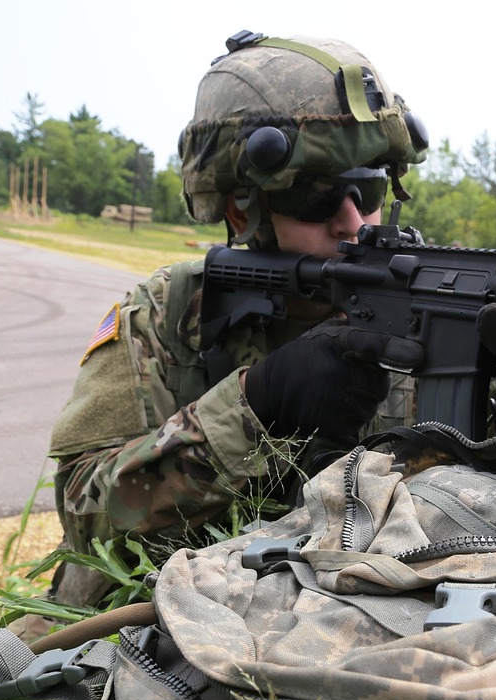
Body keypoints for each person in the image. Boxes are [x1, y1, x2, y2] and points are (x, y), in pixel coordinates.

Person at [40, 31, 431, 610]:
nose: (353, 222)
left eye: (369, 187)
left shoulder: (436, 306)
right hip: (172, 615)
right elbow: (87, 521)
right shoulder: (168, 316)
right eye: (315, 197)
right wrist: (255, 405)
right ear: (239, 208)